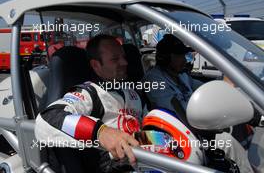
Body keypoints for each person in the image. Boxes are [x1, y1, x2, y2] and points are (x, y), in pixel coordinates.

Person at [142, 34, 254, 173]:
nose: (184, 60)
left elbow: (206, 88)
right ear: (166, 58)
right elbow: (178, 114)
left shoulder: (181, 76)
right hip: (178, 133)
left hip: (197, 124)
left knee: (237, 122)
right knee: (227, 141)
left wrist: (224, 86)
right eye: (179, 56)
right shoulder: (154, 81)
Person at [35, 35, 144, 172]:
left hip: (145, 161)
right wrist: (101, 132)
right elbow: (48, 118)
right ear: (96, 65)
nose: (124, 63)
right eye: (115, 59)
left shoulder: (131, 92)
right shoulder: (89, 93)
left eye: (123, 57)